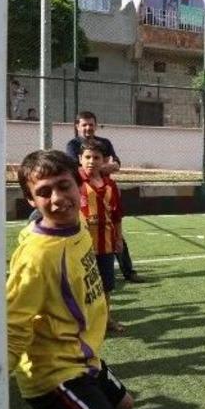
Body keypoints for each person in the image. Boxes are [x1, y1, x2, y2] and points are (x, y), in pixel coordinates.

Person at [8, 150, 136, 409]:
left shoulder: (77, 221)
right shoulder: (38, 257)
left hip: (82, 356)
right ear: (31, 201)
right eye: (44, 192)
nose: (57, 198)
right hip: (54, 372)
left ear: (77, 184)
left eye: (64, 185)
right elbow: (13, 324)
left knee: (122, 405)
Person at [65, 111, 144, 284]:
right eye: (84, 124)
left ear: (96, 125)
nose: (88, 128)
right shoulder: (72, 145)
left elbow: (117, 163)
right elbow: (76, 169)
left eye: (91, 124)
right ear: (77, 126)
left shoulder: (105, 142)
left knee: (115, 234)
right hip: (85, 193)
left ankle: (128, 272)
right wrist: (102, 166)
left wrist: (102, 168)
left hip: (104, 190)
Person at [78, 139, 126, 334]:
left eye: (96, 157)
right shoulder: (74, 181)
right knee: (80, 285)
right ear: (79, 159)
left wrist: (119, 238)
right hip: (80, 245)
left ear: (104, 160)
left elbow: (116, 215)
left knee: (105, 285)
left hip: (105, 244)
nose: (91, 161)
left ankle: (106, 319)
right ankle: (81, 322)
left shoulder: (110, 185)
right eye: (87, 157)